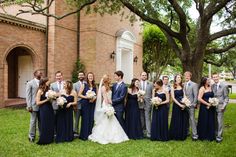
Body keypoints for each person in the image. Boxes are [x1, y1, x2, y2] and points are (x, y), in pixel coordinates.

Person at [88, 75, 129, 144]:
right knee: (105, 120)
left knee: (111, 120)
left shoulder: (110, 87)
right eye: (109, 79)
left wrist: (111, 103)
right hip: (106, 104)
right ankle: (104, 136)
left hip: (110, 104)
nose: (110, 79)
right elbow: (105, 98)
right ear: (106, 80)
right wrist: (109, 105)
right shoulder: (103, 88)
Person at [169, 74, 189, 140]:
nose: (179, 78)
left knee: (183, 119)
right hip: (176, 105)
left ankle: (182, 134)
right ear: (175, 78)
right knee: (176, 119)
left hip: (183, 103)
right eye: (178, 77)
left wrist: (185, 103)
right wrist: (180, 105)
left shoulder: (182, 86)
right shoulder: (173, 87)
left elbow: (185, 95)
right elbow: (173, 98)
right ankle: (175, 135)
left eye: (180, 77)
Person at [36, 77, 54, 145]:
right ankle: (44, 139)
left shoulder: (49, 89)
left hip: (50, 108)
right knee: (44, 123)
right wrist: (47, 100)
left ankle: (50, 138)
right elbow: (38, 103)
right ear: (45, 82)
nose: (50, 82)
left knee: (50, 122)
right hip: (43, 109)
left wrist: (53, 97)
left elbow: (51, 100)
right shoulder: (40, 91)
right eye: (48, 81)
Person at [26, 69, 42, 142]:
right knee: (33, 121)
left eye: (41, 73)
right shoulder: (30, 83)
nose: (41, 73)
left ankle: (41, 135)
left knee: (41, 121)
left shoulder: (43, 82)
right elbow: (28, 95)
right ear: (35, 74)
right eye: (39, 73)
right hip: (33, 106)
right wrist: (29, 106)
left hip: (42, 105)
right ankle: (31, 136)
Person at [79, 72, 97, 140]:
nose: (90, 77)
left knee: (91, 118)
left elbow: (97, 95)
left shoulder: (95, 85)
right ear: (87, 77)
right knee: (85, 119)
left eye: (91, 76)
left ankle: (90, 134)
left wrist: (94, 98)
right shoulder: (84, 85)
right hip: (85, 103)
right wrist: (87, 97)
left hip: (92, 104)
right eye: (89, 76)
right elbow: (79, 94)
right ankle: (84, 135)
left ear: (93, 77)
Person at [197, 77, 216, 141]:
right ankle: (203, 135)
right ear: (204, 81)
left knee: (211, 120)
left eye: (209, 80)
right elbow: (199, 98)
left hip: (211, 107)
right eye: (208, 80)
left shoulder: (210, 87)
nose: (209, 81)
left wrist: (213, 102)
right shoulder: (202, 88)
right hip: (204, 107)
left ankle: (210, 135)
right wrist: (207, 104)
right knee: (204, 120)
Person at [212, 73, 229, 143]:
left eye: (216, 77)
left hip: (220, 106)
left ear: (218, 77)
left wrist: (224, 106)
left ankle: (219, 137)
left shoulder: (224, 86)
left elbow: (226, 97)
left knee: (219, 122)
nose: (215, 78)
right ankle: (215, 134)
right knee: (215, 121)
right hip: (213, 106)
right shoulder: (212, 86)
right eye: (213, 77)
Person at [184, 71, 198, 141]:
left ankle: (195, 135)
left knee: (192, 119)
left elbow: (196, 96)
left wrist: (194, 104)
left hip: (191, 105)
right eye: (185, 75)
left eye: (188, 76)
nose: (186, 77)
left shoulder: (194, 84)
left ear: (190, 76)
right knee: (185, 119)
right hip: (184, 105)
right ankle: (186, 132)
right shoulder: (183, 84)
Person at [139, 72, 153, 138]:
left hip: (148, 103)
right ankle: (142, 132)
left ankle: (149, 133)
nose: (144, 76)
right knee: (141, 117)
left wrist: (152, 101)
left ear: (146, 76)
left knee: (147, 118)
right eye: (143, 75)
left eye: (145, 75)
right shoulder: (137, 83)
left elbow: (152, 93)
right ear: (140, 76)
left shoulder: (150, 84)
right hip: (140, 103)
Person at [73, 71, 86, 137]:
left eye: (82, 75)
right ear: (78, 76)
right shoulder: (74, 85)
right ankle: (75, 132)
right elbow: (73, 95)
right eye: (79, 75)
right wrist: (74, 105)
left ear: (84, 76)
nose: (81, 76)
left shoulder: (87, 83)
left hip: (85, 104)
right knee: (77, 118)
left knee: (84, 119)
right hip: (78, 104)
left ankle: (83, 132)